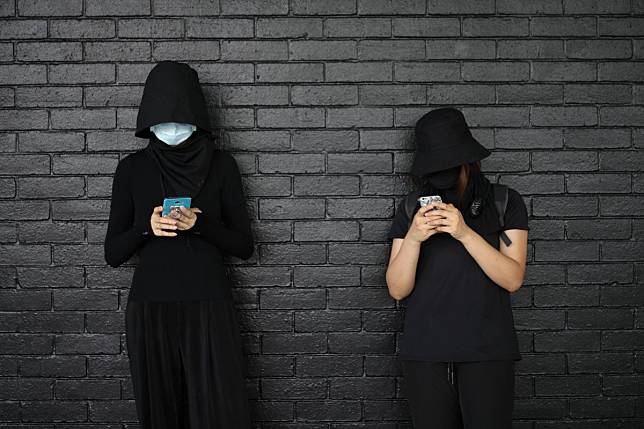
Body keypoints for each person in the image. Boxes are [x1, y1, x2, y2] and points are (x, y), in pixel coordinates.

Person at [104, 61, 254, 429]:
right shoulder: (132, 170)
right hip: (151, 309)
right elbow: (113, 253)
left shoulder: (222, 166)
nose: (171, 127)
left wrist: (200, 223)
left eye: (179, 117)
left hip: (208, 305)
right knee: (161, 414)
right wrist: (147, 227)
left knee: (220, 412)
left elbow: (244, 246)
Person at [385, 107, 529, 429]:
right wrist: (413, 238)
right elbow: (397, 288)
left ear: (467, 159)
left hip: (488, 350)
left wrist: (465, 232)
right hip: (425, 353)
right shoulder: (412, 207)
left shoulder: (504, 202)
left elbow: (512, 278)